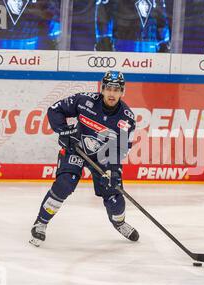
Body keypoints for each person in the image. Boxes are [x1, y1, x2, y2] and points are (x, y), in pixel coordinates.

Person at [30, 71, 139, 247]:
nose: (112, 93)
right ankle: (40, 223)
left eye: (116, 90)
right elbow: (55, 110)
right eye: (109, 88)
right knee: (65, 183)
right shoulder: (84, 100)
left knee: (114, 196)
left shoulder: (127, 119)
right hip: (77, 149)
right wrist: (64, 132)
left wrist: (112, 170)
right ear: (102, 89)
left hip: (103, 157)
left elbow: (120, 148)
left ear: (122, 92)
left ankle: (119, 222)